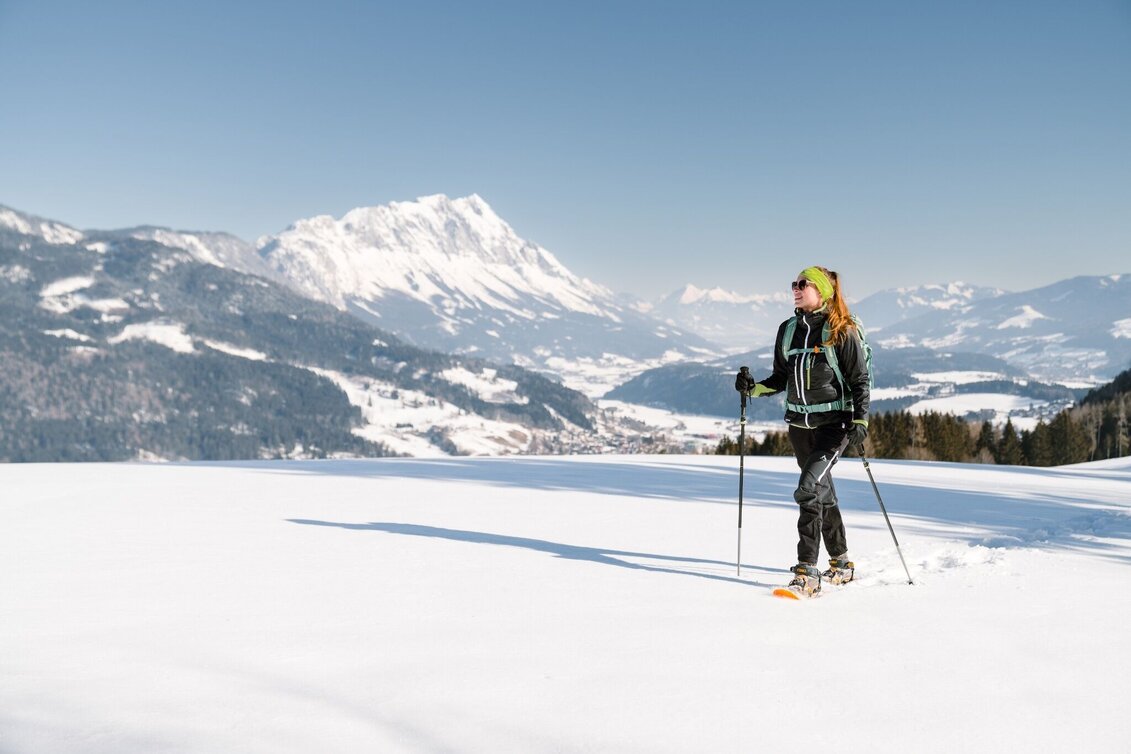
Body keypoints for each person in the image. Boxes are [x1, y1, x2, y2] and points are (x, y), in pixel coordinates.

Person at [734, 266, 870, 595]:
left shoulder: (841, 329)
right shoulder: (788, 330)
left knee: (808, 488)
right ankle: (841, 563)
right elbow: (780, 379)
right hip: (798, 427)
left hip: (833, 426)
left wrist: (861, 421)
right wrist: (751, 389)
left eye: (802, 284)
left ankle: (807, 571)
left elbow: (859, 380)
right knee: (821, 491)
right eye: (793, 284)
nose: (795, 288)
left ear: (821, 290)